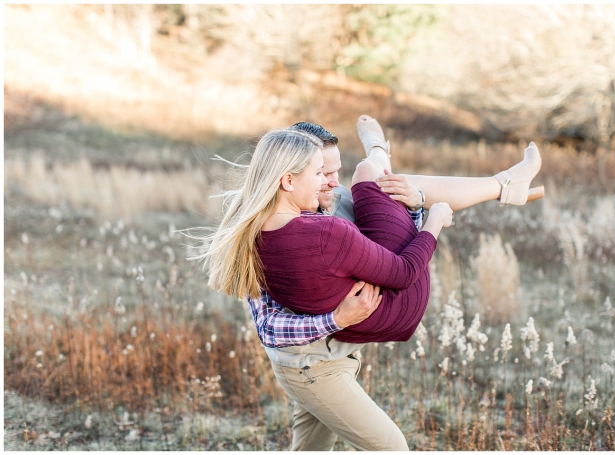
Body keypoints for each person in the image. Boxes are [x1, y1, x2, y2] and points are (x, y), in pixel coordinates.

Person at [201, 117, 542, 450]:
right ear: (288, 178)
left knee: (383, 178)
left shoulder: (334, 203)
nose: (331, 182)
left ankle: (392, 154)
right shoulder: (278, 230)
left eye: (333, 170)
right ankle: (499, 183)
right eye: (320, 172)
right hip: (311, 366)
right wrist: (336, 319)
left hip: (328, 357)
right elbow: (268, 326)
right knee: (392, 447)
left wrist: (415, 203)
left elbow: (382, 239)